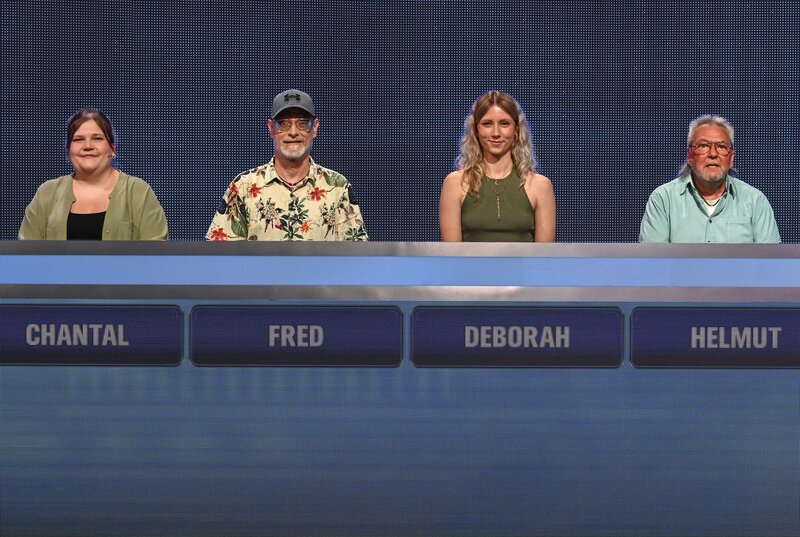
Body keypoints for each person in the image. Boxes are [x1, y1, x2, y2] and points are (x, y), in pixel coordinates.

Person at [207, 89, 368, 241]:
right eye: (284, 124)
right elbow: (218, 254)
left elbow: (356, 254)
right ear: (271, 128)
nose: (293, 132)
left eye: (302, 123)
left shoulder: (337, 187)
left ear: (315, 128)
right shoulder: (243, 187)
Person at [18, 108, 168, 240]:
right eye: (78, 139)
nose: (88, 146)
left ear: (113, 149)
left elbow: (155, 252)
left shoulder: (138, 191)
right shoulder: (47, 193)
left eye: (97, 139)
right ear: (69, 150)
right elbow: (26, 253)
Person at [639, 115, 780, 243]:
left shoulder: (755, 201)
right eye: (704, 146)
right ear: (690, 156)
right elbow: (652, 260)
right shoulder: (663, 199)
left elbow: (771, 261)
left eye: (721, 147)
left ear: (731, 159)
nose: (713, 154)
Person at [439, 90, 555, 242]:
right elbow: (451, 254)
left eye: (504, 124)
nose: (496, 133)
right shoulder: (455, 183)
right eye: (487, 124)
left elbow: (545, 255)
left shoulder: (540, 186)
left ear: (516, 130)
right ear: (476, 130)